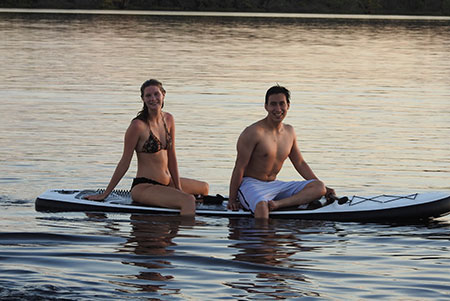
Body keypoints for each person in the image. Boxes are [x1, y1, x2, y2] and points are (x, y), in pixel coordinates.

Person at [86, 79, 209, 216]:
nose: (153, 99)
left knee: (204, 188)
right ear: (143, 99)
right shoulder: (137, 126)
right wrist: (106, 193)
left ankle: (178, 211)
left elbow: (172, 156)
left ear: (163, 95)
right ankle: (178, 234)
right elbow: (124, 162)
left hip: (168, 182)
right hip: (145, 187)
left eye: (156, 94)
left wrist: (178, 188)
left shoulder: (168, 119)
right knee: (188, 200)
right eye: (148, 96)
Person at [228, 85, 335, 219]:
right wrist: (232, 199)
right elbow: (239, 167)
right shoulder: (253, 132)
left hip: (274, 184)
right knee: (261, 207)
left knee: (319, 187)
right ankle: (263, 237)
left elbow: (300, 163)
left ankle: (278, 204)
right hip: (251, 184)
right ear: (266, 106)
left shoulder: (289, 132)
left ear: (288, 105)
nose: (278, 109)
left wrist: (324, 191)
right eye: (273, 104)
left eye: (281, 104)